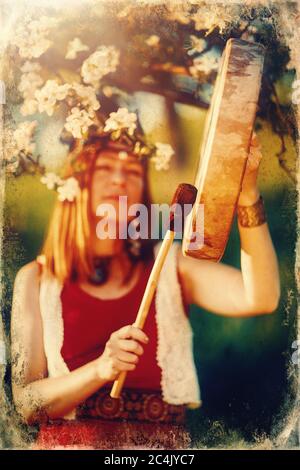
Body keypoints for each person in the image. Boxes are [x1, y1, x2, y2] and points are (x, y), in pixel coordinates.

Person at [10, 111, 280, 449]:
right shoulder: (35, 279)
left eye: (133, 171)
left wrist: (247, 196)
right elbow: (27, 404)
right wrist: (101, 369)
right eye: (106, 168)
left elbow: (261, 297)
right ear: (76, 182)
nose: (120, 180)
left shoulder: (171, 265)